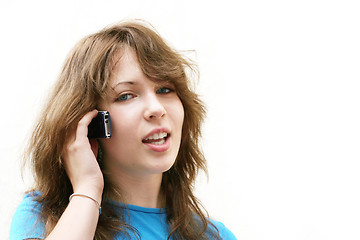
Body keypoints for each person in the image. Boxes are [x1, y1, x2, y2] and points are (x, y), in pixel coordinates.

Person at [10, 20, 237, 240]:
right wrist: (88, 190)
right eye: (126, 96)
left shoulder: (214, 236)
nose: (156, 109)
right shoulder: (44, 217)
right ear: (89, 123)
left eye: (165, 89)